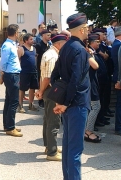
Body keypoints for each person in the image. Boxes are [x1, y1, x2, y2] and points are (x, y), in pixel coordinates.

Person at [51, 13, 92, 180]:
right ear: (82, 29)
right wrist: (66, 102)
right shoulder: (80, 50)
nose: (88, 31)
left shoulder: (66, 47)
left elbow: (54, 77)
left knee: (68, 148)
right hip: (77, 104)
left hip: (68, 104)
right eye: (87, 28)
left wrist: (61, 100)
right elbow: (76, 79)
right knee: (75, 151)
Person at [35, 34, 69, 161]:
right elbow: (48, 78)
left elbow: (42, 76)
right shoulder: (53, 56)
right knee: (53, 121)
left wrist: (40, 90)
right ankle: (52, 152)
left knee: (47, 120)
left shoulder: (48, 53)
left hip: (47, 89)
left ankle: (48, 146)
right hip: (52, 90)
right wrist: (42, 90)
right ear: (59, 44)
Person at [0, 24, 23, 137]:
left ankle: (8, 124)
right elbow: (3, 62)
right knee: (13, 101)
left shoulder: (12, 44)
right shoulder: (7, 45)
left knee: (9, 101)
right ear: (16, 33)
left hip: (12, 74)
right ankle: (10, 127)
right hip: (12, 75)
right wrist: (2, 73)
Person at [85, 34, 103, 143]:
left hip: (92, 83)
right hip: (90, 84)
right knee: (95, 107)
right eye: (96, 41)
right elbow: (95, 66)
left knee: (92, 107)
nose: (98, 43)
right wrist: (90, 55)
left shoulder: (89, 52)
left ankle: (87, 129)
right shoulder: (87, 54)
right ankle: (88, 131)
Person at [95, 29, 113, 127]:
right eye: (103, 34)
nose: (105, 36)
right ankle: (97, 120)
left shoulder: (103, 46)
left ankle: (102, 116)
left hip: (105, 76)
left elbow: (108, 56)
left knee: (104, 98)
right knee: (99, 100)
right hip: (99, 79)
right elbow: (105, 56)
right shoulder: (97, 49)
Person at [18, 33, 39, 112]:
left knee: (32, 88)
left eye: (32, 39)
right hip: (24, 72)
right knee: (22, 89)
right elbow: (17, 60)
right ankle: (20, 105)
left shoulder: (34, 48)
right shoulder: (21, 49)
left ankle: (31, 104)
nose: (32, 40)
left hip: (33, 72)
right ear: (26, 41)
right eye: (31, 39)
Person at [35, 30, 52, 108]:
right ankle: (40, 100)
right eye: (48, 35)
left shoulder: (49, 45)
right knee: (41, 83)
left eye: (50, 35)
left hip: (48, 67)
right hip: (40, 67)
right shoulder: (38, 45)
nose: (49, 37)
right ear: (43, 35)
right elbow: (36, 57)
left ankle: (45, 99)